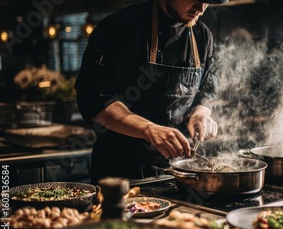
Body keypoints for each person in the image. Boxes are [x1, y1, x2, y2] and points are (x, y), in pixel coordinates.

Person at [75, 0, 228, 184]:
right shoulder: (119, 28)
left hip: (176, 176)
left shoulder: (202, 35)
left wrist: (201, 112)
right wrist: (148, 130)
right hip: (121, 177)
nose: (201, 8)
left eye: (207, 1)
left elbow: (207, 89)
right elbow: (94, 102)